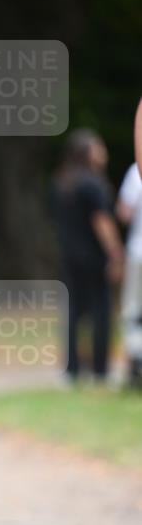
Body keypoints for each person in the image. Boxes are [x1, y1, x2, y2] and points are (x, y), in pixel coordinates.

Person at [49, 129, 125, 383]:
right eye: (98, 147)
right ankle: (100, 369)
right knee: (101, 311)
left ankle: (71, 370)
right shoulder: (94, 184)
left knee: (72, 313)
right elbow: (102, 222)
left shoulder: (61, 182)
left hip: (69, 255)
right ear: (87, 152)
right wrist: (116, 253)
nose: (103, 152)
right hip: (94, 257)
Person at [115, 162, 142, 387]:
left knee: (133, 308)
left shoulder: (135, 171)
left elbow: (124, 212)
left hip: (138, 250)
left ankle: (135, 361)